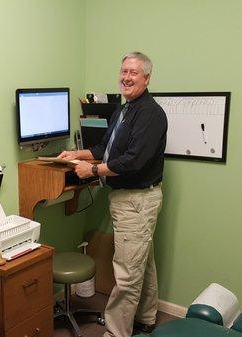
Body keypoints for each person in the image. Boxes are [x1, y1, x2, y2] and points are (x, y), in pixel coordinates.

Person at [58, 51, 167, 337]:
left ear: (147, 78)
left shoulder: (150, 114)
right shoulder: (124, 109)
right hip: (129, 201)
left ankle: (117, 333)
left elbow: (131, 161)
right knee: (142, 261)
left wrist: (92, 172)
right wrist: (76, 154)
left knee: (127, 274)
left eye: (133, 72)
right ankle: (146, 317)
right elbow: (104, 149)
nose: (126, 77)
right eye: (123, 71)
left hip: (136, 201)